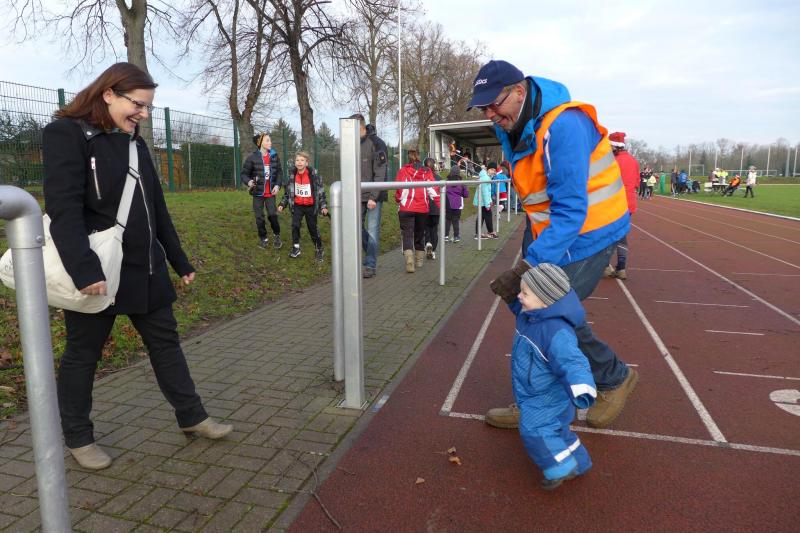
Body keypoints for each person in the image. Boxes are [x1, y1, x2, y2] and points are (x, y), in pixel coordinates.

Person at [42, 62, 232, 470]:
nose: (143, 114)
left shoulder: (134, 142)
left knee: (166, 344)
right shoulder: (67, 135)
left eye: (148, 107)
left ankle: (192, 416)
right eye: (138, 105)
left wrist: (178, 259)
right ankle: (78, 437)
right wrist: (84, 270)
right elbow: (63, 210)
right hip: (100, 271)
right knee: (82, 355)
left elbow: (156, 208)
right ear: (108, 94)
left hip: (146, 268)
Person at [467, 59, 638, 430]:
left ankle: (612, 378)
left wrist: (530, 265)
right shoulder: (511, 124)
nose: (490, 114)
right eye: (483, 108)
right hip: (548, 228)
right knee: (528, 308)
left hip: (591, 231)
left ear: (519, 91)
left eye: (494, 104)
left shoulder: (565, 126)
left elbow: (572, 210)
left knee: (546, 310)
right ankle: (538, 397)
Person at [510, 264, 596, 490]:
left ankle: (559, 467)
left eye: (525, 293)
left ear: (545, 301)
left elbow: (572, 361)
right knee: (558, 429)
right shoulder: (530, 315)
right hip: (537, 389)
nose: (519, 296)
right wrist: (509, 292)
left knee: (534, 429)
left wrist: (582, 386)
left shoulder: (556, 332)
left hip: (545, 396)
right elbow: (518, 306)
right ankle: (579, 461)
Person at [350, 114, 388, 278]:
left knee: (372, 230)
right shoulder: (351, 144)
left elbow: (380, 172)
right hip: (357, 194)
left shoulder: (377, 143)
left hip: (374, 195)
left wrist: (373, 197)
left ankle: (370, 264)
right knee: (355, 228)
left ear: (360, 127)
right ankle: (370, 252)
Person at [394, 149, 440, 273]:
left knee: (407, 234)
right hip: (422, 208)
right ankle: (419, 260)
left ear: (408, 157)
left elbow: (399, 190)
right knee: (420, 233)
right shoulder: (427, 171)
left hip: (406, 207)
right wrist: (439, 204)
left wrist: (398, 199)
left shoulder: (403, 170)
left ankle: (409, 259)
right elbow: (433, 190)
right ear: (420, 157)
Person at [278, 151, 328, 260]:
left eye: (302, 160)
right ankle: (296, 248)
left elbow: (321, 192)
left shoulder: (313, 175)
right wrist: (282, 204)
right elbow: (288, 192)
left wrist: (323, 206)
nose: (299, 162)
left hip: (311, 206)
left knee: (312, 228)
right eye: (297, 160)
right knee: (295, 225)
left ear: (306, 163)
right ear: (294, 162)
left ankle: (319, 248)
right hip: (298, 206)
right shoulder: (292, 175)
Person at [604, 132, 639, 281]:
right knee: (621, 235)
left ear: (614, 146)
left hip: (613, 203)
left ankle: (605, 266)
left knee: (606, 235)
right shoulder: (633, 161)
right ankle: (621, 268)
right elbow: (636, 183)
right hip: (629, 204)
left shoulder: (611, 161)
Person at [242, 132, 283, 249]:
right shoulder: (252, 158)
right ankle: (263, 238)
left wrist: (277, 185)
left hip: (270, 193)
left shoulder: (274, 156)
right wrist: (249, 182)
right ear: (260, 143)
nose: (270, 142)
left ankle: (277, 235)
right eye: (267, 140)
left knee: (272, 215)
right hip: (257, 193)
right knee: (259, 217)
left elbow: (279, 173)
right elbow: (244, 174)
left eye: (270, 140)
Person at [422, 157, 442, 260]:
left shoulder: (421, 178)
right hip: (436, 209)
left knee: (426, 229)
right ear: (434, 166)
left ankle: (428, 243)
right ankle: (433, 250)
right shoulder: (438, 178)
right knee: (434, 229)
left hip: (424, 207)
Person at [444, 164, 469, 242]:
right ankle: (456, 236)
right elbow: (466, 195)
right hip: (457, 204)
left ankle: (446, 236)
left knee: (448, 220)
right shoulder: (461, 183)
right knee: (455, 220)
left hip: (448, 203)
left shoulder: (446, 182)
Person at [474, 162, 497, 239]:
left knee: (482, 216)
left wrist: (489, 201)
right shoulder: (485, 178)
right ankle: (490, 232)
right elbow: (485, 192)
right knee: (487, 215)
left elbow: (487, 192)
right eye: (492, 169)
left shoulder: (486, 177)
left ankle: (479, 233)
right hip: (483, 202)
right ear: (488, 169)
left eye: (494, 170)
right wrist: (487, 204)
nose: (493, 172)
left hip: (482, 201)